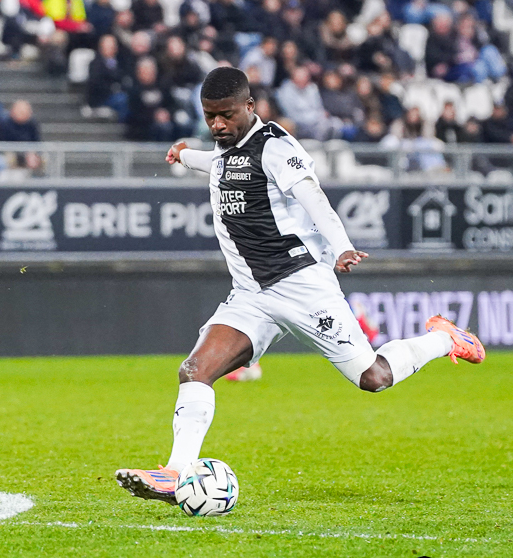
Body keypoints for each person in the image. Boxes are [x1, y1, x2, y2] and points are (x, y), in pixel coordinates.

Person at [115, 67, 485, 505]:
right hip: (251, 293)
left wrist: (342, 246)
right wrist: (185, 154)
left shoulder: (275, 146)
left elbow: (312, 195)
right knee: (195, 371)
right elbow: (218, 163)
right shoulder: (228, 149)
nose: (217, 125)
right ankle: (175, 474)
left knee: (373, 377)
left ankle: (444, 339)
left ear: (249, 107)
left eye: (226, 115)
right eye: (209, 116)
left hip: (300, 284)